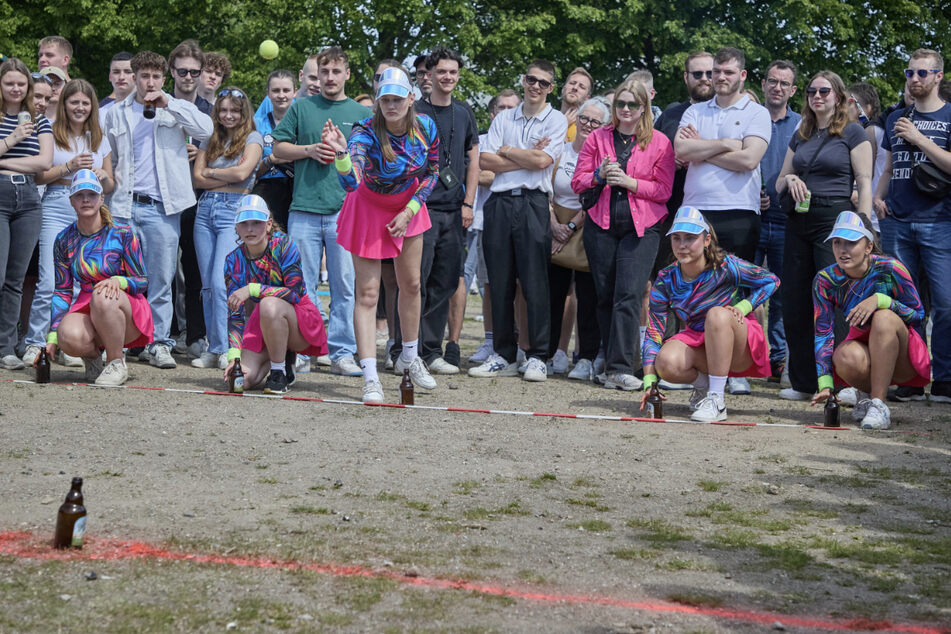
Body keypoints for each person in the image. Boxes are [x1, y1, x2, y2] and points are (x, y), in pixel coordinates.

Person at [322, 66, 438, 403]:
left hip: (409, 206)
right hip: (369, 207)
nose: (391, 105)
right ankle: (370, 376)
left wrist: (410, 211)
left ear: (410, 99)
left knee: (412, 284)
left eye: (397, 99)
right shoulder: (364, 132)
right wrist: (341, 155)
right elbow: (351, 183)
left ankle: (410, 356)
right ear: (377, 101)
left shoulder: (425, 126)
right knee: (369, 294)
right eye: (385, 99)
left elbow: (433, 173)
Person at [102, 50, 213, 369]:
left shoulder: (177, 108)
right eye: (144, 76)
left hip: (164, 209)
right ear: (134, 77)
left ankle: (159, 343)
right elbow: (111, 157)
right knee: (121, 278)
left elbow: (207, 130)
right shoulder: (116, 111)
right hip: (123, 205)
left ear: (163, 79)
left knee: (162, 281)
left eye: (155, 77)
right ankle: (121, 343)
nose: (149, 82)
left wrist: (170, 103)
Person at [674, 47, 771, 396]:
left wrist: (705, 148)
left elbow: (749, 160)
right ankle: (702, 366)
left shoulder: (757, 113)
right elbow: (681, 152)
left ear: (742, 75)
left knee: (737, 293)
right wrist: (726, 143)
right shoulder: (695, 109)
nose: (720, 77)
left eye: (728, 72)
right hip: (698, 210)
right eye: (716, 71)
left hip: (740, 213)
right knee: (695, 291)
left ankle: (737, 368)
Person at [271, 46, 370, 378]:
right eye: (324, 71)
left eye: (336, 71)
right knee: (302, 285)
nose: (329, 77)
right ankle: (305, 350)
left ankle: (342, 351)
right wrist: (309, 150)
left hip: (347, 213)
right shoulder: (301, 108)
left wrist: (344, 151)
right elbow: (278, 148)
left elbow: (370, 163)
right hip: (304, 210)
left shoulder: (362, 113)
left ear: (347, 74)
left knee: (344, 285)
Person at [571, 79, 675, 390]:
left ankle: (621, 366)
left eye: (632, 104)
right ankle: (608, 363)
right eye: (620, 104)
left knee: (628, 295)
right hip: (601, 225)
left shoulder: (660, 142)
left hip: (642, 228)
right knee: (605, 296)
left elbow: (664, 190)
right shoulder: (597, 138)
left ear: (644, 107)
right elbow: (578, 182)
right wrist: (598, 175)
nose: (626, 110)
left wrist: (629, 182)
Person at [776, 71, 872, 400]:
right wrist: (789, 181)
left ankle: (843, 381)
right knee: (796, 299)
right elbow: (779, 180)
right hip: (799, 219)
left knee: (835, 299)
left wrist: (864, 224)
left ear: (839, 97)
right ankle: (804, 382)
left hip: (835, 220)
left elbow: (864, 181)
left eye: (825, 91)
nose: (817, 96)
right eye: (812, 91)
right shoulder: (800, 133)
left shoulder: (853, 132)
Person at [469, 60, 568, 382]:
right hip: (498, 204)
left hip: (533, 203)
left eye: (543, 82)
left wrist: (509, 151)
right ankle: (503, 353)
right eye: (531, 80)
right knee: (499, 282)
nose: (535, 86)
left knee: (534, 281)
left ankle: (538, 355)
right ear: (523, 80)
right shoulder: (504, 116)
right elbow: (485, 160)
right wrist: (526, 157)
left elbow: (543, 161)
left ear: (551, 87)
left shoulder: (555, 120)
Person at [640, 207, 778, 422]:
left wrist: (743, 307)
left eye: (690, 238)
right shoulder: (666, 278)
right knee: (665, 362)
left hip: (739, 344)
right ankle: (705, 387)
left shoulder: (726, 266)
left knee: (716, 315)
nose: (682, 245)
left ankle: (717, 401)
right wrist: (649, 381)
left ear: (706, 240)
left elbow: (771, 280)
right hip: (701, 342)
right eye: (676, 238)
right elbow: (654, 331)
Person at [391, 47, 478, 375]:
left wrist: (469, 202)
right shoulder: (415, 112)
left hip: (454, 211)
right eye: (442, 71)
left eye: (453, 72)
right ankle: (402, 350)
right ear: (429, 74)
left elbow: (474, 159)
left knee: (444, 282)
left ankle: (430, 351)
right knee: (414, 282)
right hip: (419, 209)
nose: (448, 77)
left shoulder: (465, 112)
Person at [874, 48, 951, 404]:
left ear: (938, 77)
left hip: (939, 221)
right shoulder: (894, 118)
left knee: (946, 304)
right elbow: (889, 168)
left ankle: (945, 378)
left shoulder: (949, 116)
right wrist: (877, 197)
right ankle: (912, 377)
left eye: (923, 73)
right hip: (898, 222)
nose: (915, 79)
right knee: (906, 304)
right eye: (910, 73)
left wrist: (920, 138)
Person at [24, 79, 115, 367]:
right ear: (64, 105)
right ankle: (36, 342)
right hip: (57, 203)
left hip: (91, 209)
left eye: (85, 103)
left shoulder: (100, 137)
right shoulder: (50, 130)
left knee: (82, 281)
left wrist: (101, 175)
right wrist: (69, 167)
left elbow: (112, 183)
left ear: (93, 106)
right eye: (74, 102)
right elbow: (39, 176)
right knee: (50, 280)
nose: (79, 107)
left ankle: (68, 344)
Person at [811, 211, 930, 429]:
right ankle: (864, 396)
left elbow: (918, 316)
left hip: (903, 358)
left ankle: (878, 405)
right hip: (865, 355)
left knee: (883, 318)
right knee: (844, 356)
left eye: (851, 242)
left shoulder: (890, 268)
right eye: (837, 242)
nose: (843, 250)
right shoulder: (825, 280)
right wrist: (825, 383)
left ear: (868, 246)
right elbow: (823, 332)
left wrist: (881, 300)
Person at [41, 170, 151, 386]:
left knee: (102, 296)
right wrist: (52, 338)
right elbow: (63, 291)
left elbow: (142, 281)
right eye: (79, 195)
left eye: (91, 194)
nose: (85, 200)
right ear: (71, 200)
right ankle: (93, 360)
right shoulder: (64, 239)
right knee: (67, 335)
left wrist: (117, 281)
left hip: (124, 306)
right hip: (87, 303)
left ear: (102, 198)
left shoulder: (122, 232)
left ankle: (116, 362)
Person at [223, 195, 328, 394]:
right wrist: (233, 358)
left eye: (257, 223)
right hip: (262, 324)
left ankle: (279, 372)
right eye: (244, 224)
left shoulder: (284, 245)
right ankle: (278, 358)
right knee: (239, 382)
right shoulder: (232, 261)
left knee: (268, 304)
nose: (250, 229)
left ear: (269, 224)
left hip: (299, 321)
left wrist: (252, 289)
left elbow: (294, 294)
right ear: (236, 227)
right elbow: (234, 314)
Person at [191, 87, 264, 370]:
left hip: (233, 211)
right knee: (208, 285)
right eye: (223, 110)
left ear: (243, 112)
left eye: (234, 110)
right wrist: (223, 179)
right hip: (206, 209)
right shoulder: (210, 137)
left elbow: (243, 174)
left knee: (222, 283)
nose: (228, 115)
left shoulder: (253, 138)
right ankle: (215, 346)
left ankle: (229, 348)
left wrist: (211, 172)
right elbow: (197, 179)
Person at [550, 97, 609, 381]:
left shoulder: (604, 159)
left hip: (588, 226)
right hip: (553, 226)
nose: (587, 125)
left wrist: (571, 226)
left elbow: (597, 195)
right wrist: (554, 226)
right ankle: (549, 353)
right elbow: (545, 190)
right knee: (552, 294)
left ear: (605, 126)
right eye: (584, 118)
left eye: (595, 121)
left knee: (588, 296)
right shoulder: (559, 151)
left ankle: (585, 357)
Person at [0, 58, 53, 370]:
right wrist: (12, 140)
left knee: (15, 280)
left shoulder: (39, 120)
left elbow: (44, 163)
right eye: (10, 84)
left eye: (21, 84)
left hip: (29, 200)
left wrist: (3, 160)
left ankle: (6, 348)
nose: (16, 89)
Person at [467, 89, 521, 365]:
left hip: (521, 219)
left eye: (514, 107)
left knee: (521, 284)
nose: (508, 112)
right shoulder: (484, 140)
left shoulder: (525, 138)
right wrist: (521, 164)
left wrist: (498, 167)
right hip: (485, 222)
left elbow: (541, 167)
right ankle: (491, 340)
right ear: (492, 113)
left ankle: (520, 342)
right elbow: (478, 174)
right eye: (502, 107)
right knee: (490, 284)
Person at [167, 40, 211, 364]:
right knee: (163, 270)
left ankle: (196, 335)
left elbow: (224, 154)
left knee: (195, 269)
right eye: (182, 71)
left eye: (194, 72)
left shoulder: (210, 112)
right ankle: (166, 335)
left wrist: (201, 157)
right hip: (163, 199)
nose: (188, 77)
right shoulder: (157, 105)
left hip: (198, 199)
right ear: (172, 71)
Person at [756, 60, 800, 382]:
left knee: (784, 295)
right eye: (773, 81)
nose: (778, 87)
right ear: (763, 84)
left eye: (785, 83)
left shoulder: (802, 125)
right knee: (745, 290)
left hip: (787, 220)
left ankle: (780, 360)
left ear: (793, 90)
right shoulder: (749, 119)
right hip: (751, 218)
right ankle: (744, 359)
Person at [252, 70, 297, 231]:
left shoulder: (304, 121)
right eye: (276, 90)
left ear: (295, 92)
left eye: (286, 90)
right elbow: (251, 170)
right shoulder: (256, 124)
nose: (281, 95)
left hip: (298, 189)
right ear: (268, 94)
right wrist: (272, 159)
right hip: (267, 188)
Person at [560, 67, 593, 142]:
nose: (575, 88)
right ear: (563, 89)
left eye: (582, 87)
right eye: (572, 83)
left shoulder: (587, 130)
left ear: (587, 99)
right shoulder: (546, 118)